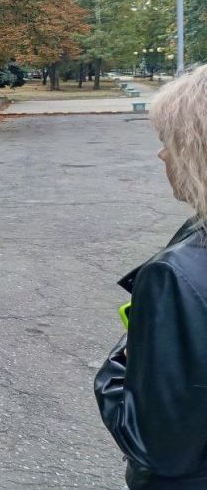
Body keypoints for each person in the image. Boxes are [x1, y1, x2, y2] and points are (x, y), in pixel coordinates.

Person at [95, 66, 207, 489]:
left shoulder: (177, 274)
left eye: (168, 142)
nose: (162, 156)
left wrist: (117, 366)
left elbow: (157, 444)